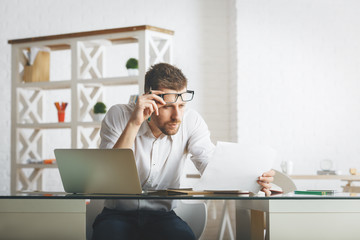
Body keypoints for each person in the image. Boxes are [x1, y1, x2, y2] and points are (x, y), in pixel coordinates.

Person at [92, 63, 275, 240]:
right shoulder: (119, 115)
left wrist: (252, 179)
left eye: (181, 105)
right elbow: (110, 176)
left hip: (162, 216)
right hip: (118, 215)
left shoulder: (191, 121)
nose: (177, 117)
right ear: (150, 100)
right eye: (168, 107)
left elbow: (210, 165)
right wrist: (134, 123)